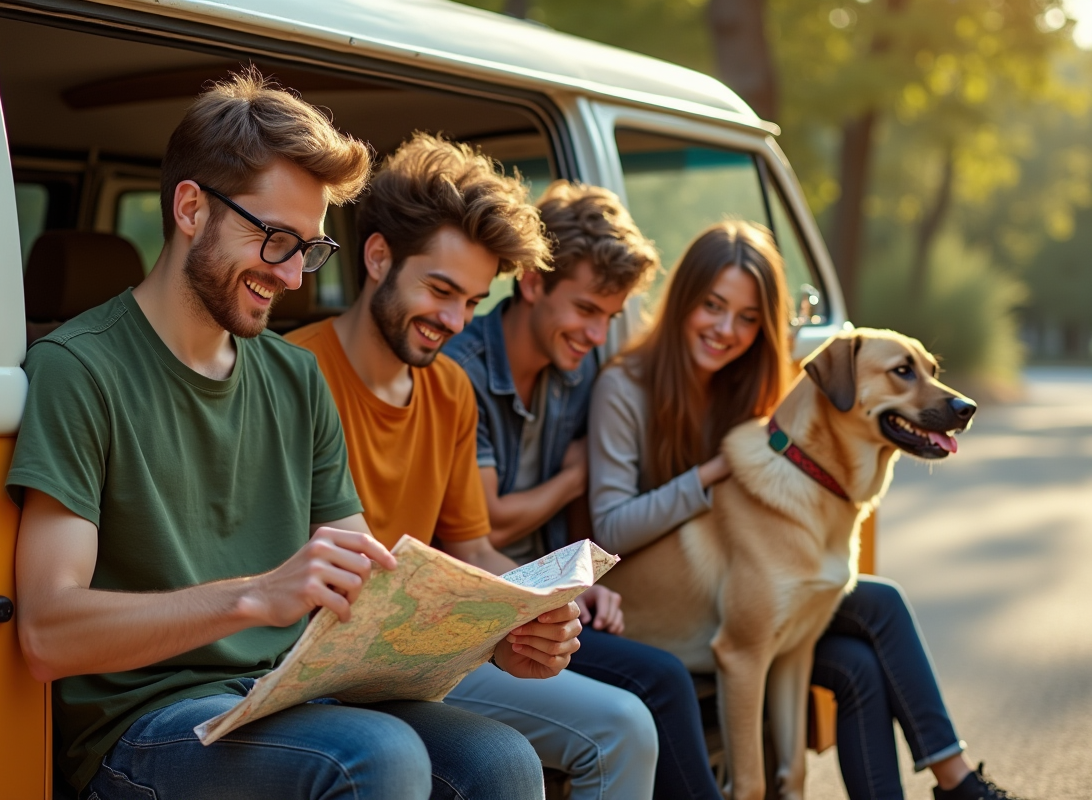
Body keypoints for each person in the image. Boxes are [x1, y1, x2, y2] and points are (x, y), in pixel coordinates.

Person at [8, 72, 549, 800]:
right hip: (144, 728)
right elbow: (46, 632)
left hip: (286, 698)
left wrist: (496, 637)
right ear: (191, 208)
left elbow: (368, 599)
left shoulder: (295, 380)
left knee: (500, 761)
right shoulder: (77, 369)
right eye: (275, 240)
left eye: (311, 249)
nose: (293, 275)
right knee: (377, 755)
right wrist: (256, 596)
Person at [587, 219, 1028, 800]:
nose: (727, 330)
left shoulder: (749, 381)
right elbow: (613, 527)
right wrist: (713, 472)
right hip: (639, 615)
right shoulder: (628, 387)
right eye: (713, 307)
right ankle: (959, 784)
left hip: (742, 588)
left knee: (863, 654)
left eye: (747, 318)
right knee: (880, 608)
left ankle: (949, 781)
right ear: (683, 301)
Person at [288, 134, 660, 800]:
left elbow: (473, 549)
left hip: (411, 659)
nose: (455, 320)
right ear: (378, 258)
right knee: (497, 762)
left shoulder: (451, 391)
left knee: (626, 725)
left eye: (472, 301)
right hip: (315, 667)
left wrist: (534, 608)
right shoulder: (293, 375)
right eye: (440, 290)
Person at [443, 180, 724, 800]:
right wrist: (575, 473)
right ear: (534, 282)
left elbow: (568, 522)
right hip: (480, 613)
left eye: (610, 317)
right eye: (586, 310)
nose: (597, 335)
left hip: (542, 600)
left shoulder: (576, 369)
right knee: (660, 683)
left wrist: (584, 585)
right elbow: (485, 525)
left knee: (664, 673)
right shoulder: (460, 366)